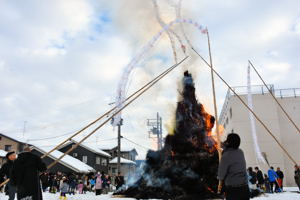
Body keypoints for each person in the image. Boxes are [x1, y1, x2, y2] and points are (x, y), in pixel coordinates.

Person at [218, 133, 250, 200]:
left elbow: (221, 175)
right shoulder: (240, 152)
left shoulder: (226, 156)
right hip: (245, 188)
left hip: (233, 190)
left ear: (228, 142)